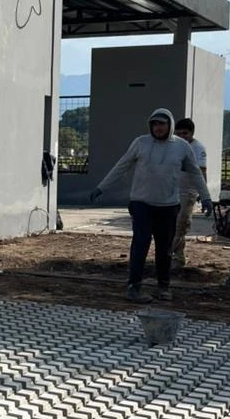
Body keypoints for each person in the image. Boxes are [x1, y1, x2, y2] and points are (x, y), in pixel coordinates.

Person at [90, 107, 211, 303]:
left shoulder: (182, 147)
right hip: (141, 203)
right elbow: (122, 166)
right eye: (154, 123)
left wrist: (205, 196)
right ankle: (134, 286)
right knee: (141, 243)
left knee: (164, 248)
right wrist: (102, 187)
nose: (158, 127)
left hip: (169, 205)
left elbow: (195, 173)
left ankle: (164, 286)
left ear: (169, 125)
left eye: (162, 123)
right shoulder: (141, 143)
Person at [171, 117, 207, 271]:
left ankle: (173, 257)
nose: (181, 136)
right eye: (178, 133)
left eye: (185, 133)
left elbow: (201, 171)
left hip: (188, 191)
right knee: (171, 225)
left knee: (181, 225)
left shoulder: (198, 148)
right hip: (171, 190)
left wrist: (203, 193)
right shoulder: (173, 145)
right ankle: (176, 256)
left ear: (192, 133)